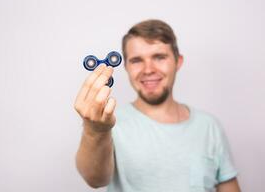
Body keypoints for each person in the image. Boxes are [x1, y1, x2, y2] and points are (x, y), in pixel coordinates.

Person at [74, 19, 241, 192]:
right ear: (126, 67)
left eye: (159, 57)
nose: (148, 69)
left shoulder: (209, 126)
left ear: (178, 62)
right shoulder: (108, 123)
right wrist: (95, 132)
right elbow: (95, 179)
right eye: (137, 60)